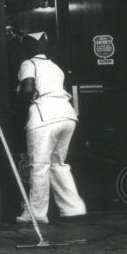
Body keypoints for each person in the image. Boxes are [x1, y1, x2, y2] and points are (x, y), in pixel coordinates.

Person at [15, 31, 87, 224]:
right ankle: (73, 208)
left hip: (44, 116)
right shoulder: (56, 67)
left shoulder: (28, 64)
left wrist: (19, 109)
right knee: (58, 163)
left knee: (39, 166)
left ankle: (36, 214)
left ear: (27, 48)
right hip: (67, 115)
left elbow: (28, 88)